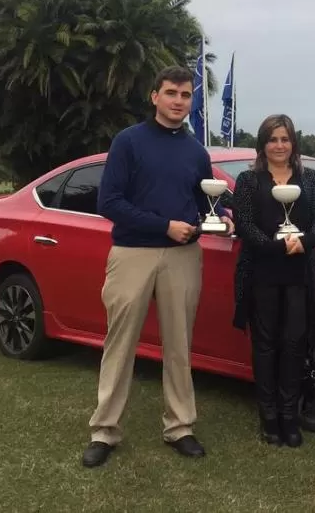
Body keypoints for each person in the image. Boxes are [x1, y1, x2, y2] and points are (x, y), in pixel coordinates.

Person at [81, 65, 234, 468]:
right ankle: (104, 431)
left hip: (184, 257)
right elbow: (109, 203)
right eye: (171, 93)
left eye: (185, 96)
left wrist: (224, 216)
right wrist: (163, 226)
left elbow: (205, 204)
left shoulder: (196, 152)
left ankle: (180, 426)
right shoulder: (128, 142)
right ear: (155, 96)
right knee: (120, 343)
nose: (178, 102)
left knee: (179, 345)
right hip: (133, 253)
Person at [231, 114, 315, 448]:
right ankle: (269, 418)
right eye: (273, 139)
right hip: (262, 273)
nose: (279, 145)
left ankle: (291, 417)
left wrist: (306, 241)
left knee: (293, 345)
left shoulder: (310, 178)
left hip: (300, 274)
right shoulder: (248, 180)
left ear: (293, 144)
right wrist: (276, 245)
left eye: (285, 139)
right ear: (263, 144)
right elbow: (244, 224)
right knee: (265, 346)